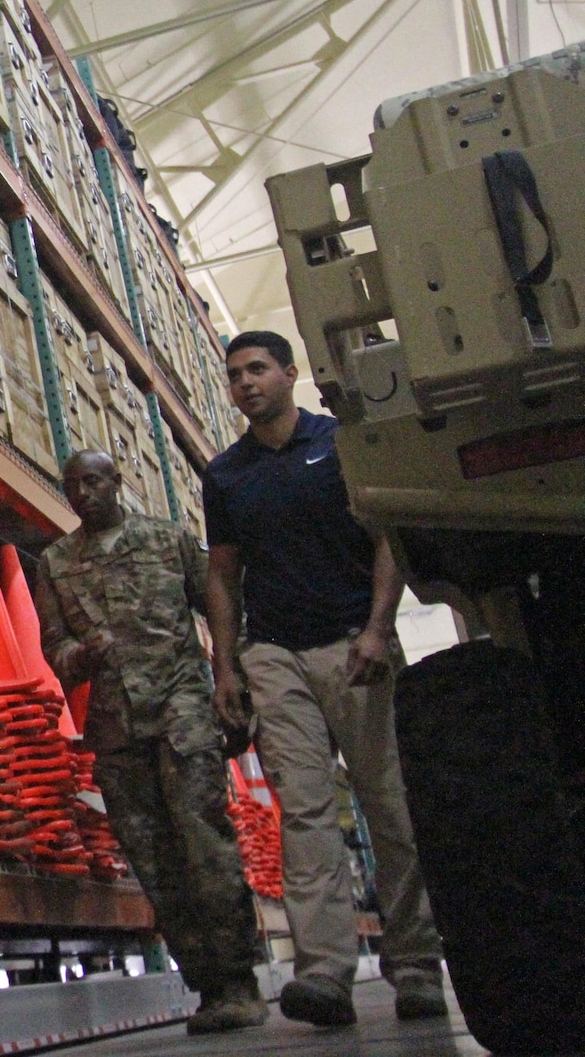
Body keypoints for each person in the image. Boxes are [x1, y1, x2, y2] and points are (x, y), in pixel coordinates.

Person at [202, 330, 447, 1027]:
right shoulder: (226, 474)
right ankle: (325, 971)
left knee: (388, 801)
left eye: (257, 369)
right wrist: (227, 664)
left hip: (352, 641)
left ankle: (416, 963)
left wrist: (377, 627)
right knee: (305, 814)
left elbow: (383, 539)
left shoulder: (339, 444)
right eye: (234, 375)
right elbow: (223, 574)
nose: (245, 383)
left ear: (289, 373)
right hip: (275, 653)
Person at [32, 450, 267, 1035]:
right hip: (116, 731)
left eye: (93, 482)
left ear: (119, 482)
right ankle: (208, 986)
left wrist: (231, 678)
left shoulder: (168, 541)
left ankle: (240, 980)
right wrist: (80, 656)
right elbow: (53, 648)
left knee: (205, 845)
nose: (83, 494)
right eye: (72, 486)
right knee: (153, 861)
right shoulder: (57, 562)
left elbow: (218, 606)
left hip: (182, 715)